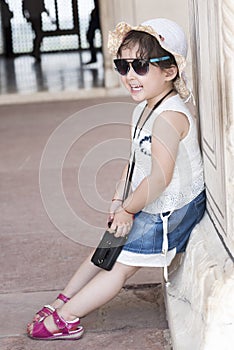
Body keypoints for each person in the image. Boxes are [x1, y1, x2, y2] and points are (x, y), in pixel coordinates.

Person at [27, 18, 206, 341]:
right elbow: (134, 160)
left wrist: (128, 210)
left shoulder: (170, 116)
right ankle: (62, 300)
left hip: (170, 209)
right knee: (105, 246)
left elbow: (160, 179)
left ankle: (67, 317)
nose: (130, 76)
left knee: (120, 264)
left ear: (169, 71)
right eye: (123, 66)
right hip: (144, 199)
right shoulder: (143, 110)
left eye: (140, 66)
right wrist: (117, 202)